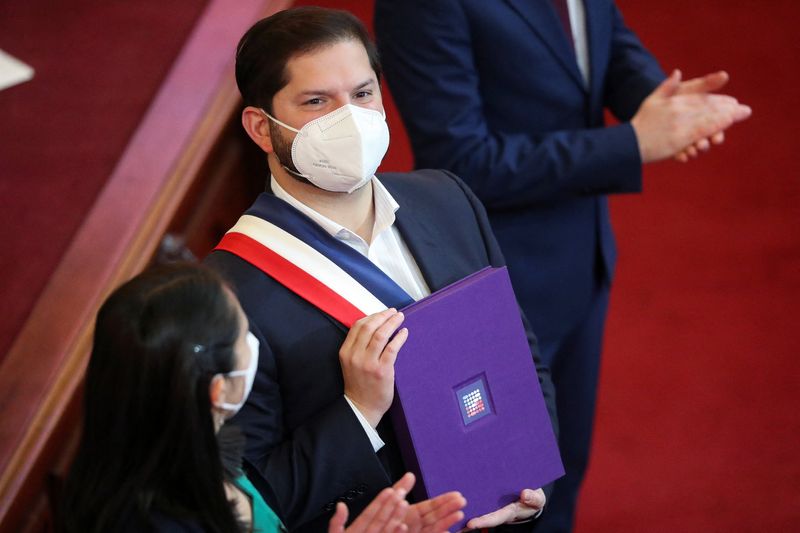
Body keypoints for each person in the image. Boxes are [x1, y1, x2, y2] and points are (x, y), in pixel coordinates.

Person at [373, 2, 752, 531]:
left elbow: (600, 36)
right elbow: (461, 161)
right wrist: (633, 142)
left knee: (566, 472)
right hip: (501, 279)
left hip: (583, 258)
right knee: (511, 498)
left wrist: (660, 103)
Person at [204, 6, 557, 532]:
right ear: (260, 128)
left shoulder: (448, 198)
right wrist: (357, 410)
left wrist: (532, 485)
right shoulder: (226, 292)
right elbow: (257, 501)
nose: (349, 118)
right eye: (317, 101)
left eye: (363, 93)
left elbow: (521, 359)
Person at [60, 263, 465, 532]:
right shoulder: (151, 521)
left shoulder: (198, 451)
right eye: (243, 336)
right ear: (220, 390)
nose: (254, 341)